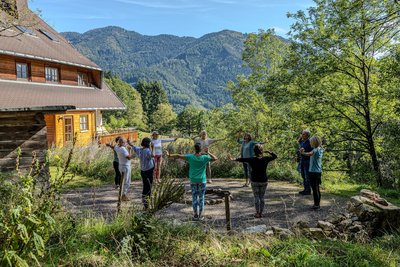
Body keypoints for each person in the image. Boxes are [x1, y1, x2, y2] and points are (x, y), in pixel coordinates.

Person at [166, 143, 218, 221]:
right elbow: (215, 158)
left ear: (195, 149)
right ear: (201, 150)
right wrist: (208, 152)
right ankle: (201, 216)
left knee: (194, 197)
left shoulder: (190, 157)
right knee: (201, 198)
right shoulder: (205, 157)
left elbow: (178, 156)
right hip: (202, 180)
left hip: (193, 180)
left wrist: (169, 155)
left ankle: (195, 215)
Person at [229, 144, 277, 218]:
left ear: (254, 151)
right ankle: (261, 213)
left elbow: (242, 159)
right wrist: (269, 152)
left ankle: (257, 213)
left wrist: (233, 159)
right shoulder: (266, 158)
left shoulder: (252, 159)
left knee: (256, 197)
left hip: (254, 181)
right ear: (262, 151)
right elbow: (275, 156)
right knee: (262, 197)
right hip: (264, 180)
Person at [128, 138, 155, 209]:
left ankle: (145, 203)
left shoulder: (139, 150)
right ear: (148, 144)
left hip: (143, 171)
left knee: (145, 187)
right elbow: (152, 155)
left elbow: (134, 147)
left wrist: (129, 143)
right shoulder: (148, 151)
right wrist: (152, 148)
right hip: (149, 171)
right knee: (149, 187)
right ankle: (147, 204)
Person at [300, 136, 324, 210]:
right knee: (317, 189)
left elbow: (310, 154)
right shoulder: (320, 149)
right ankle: (317, 204)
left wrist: (302, 152)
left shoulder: (315, 150)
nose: (310, 143)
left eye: (311, 142)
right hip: (318, 172)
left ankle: (316, 206)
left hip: (313, 172)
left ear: (314, 142)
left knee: (315, 189)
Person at [298, 130, 312, 195]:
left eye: (304, 134)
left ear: (307, 135)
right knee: (303, 175)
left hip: (307, 161)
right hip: (302, 161)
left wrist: (303, 152)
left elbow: (312, 152)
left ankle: (308, 190)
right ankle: (305, 189)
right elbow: (299, 141)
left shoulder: (310, 142)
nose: (302, 135)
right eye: (302, 134)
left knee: (307, 176)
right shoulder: (303, 142)